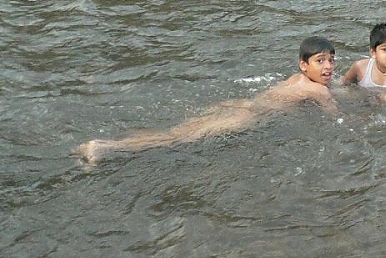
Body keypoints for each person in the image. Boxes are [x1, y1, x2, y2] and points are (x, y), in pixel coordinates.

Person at [77, 36, 337, 164]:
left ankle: (110, 145)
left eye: (331, 60)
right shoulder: (320, 91)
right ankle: (104, 148)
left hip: (240, 104)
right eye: (320, 61)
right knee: (178, 139)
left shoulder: (296, 79)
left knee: (176, 131)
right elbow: (336, 119)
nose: (328, 67)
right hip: (247, 117)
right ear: (304, 65)